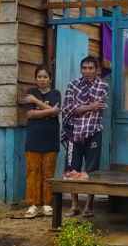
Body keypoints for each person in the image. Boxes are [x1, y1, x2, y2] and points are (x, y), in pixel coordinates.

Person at [59, 55, 109, 218]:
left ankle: (89, 206)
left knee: (91, 170)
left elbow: (98, 107)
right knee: (71, 169)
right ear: (81, 69)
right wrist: (90, 106)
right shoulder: (73, 85)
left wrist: (82, 107)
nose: (87, 71)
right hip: (73, 132)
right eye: (84, 68)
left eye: (91, 68)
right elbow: (68, 109)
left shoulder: (102, 85)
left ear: (97, 70)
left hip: (93, 130)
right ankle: (74, 205)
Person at [20, 65, 61, 218]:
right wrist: (50, 111)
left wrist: (37, 102)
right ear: (35, 79)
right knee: (32, 172)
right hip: (34, 138)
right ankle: (32, 204)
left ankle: (46, 204)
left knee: (48, 172)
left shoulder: (55, 93)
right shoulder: (30, 92)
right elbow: (30, 114)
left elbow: (56, 112)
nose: (42, 80)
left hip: (51, 139)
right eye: (39, 77)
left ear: (50, 79)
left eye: (45, 77)